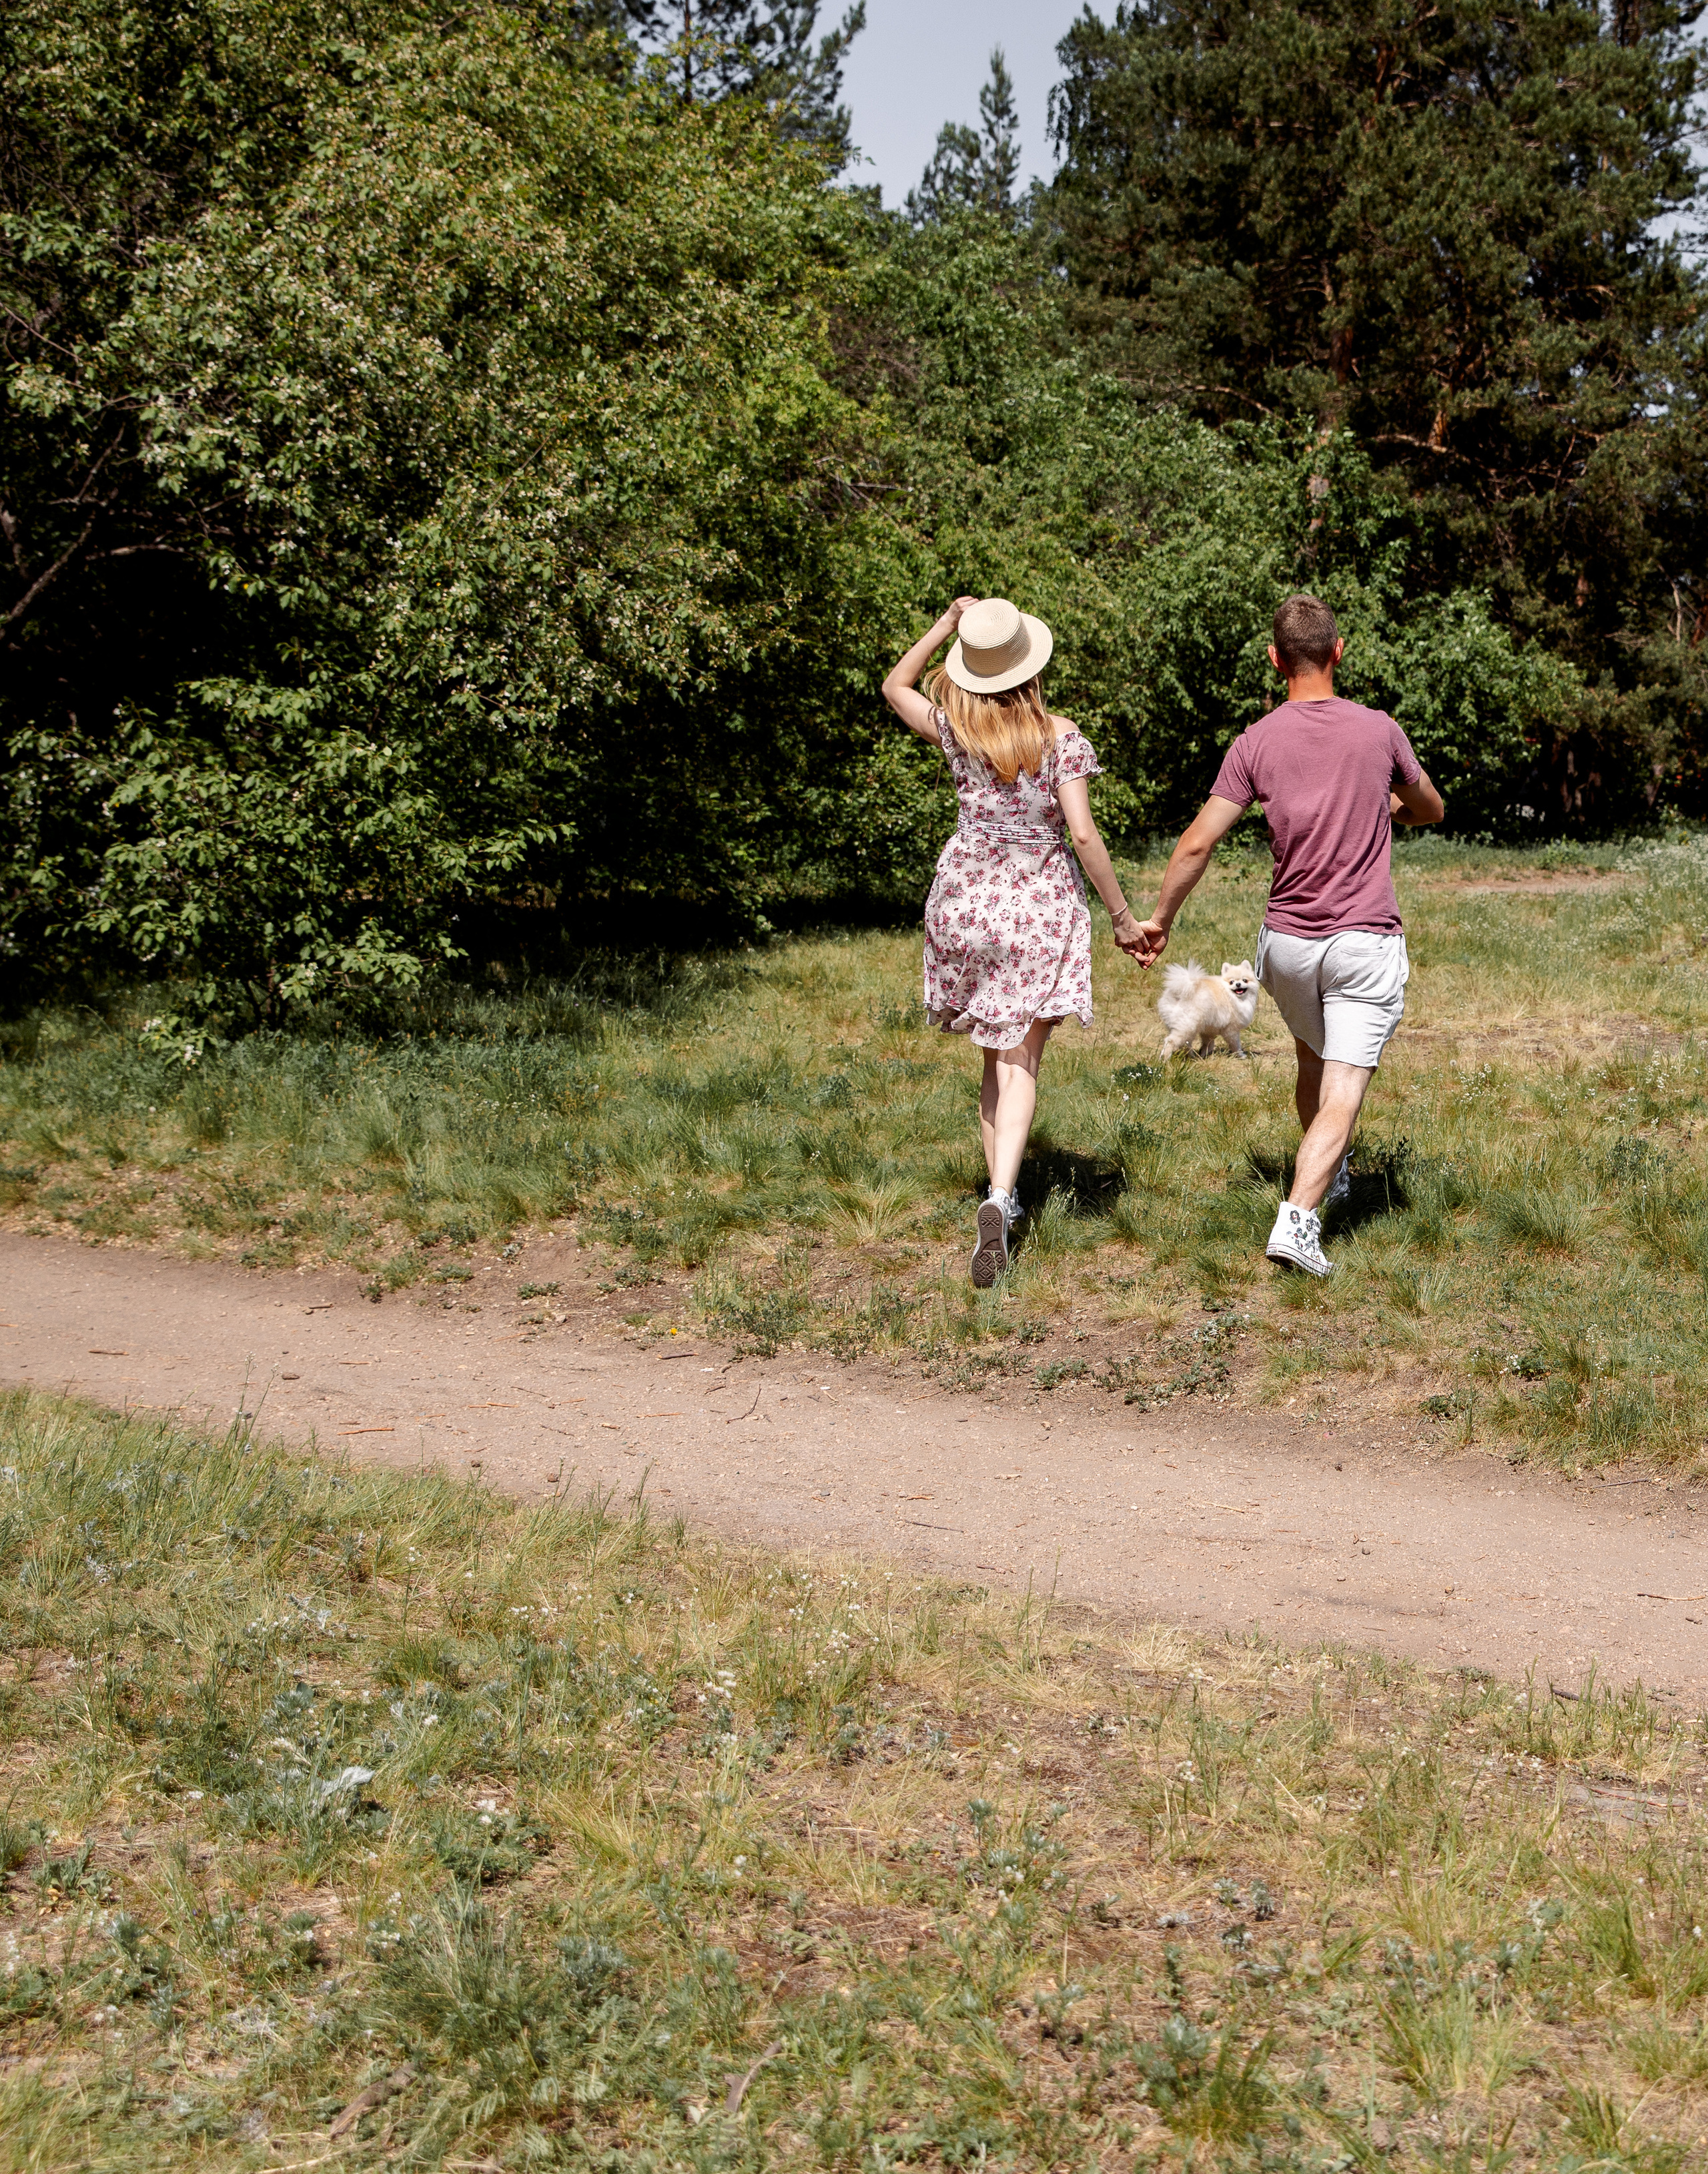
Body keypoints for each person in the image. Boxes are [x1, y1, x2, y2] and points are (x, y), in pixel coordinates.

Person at [1132, 593, 1444, 1277]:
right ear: (1338, 652)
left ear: (1275, 660)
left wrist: (1159, 920)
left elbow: (1194, 845)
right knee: (1343, 1086)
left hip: (1288, 949)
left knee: (1311, 1062)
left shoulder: (1254, 741)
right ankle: (1298, 1223)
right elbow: (1430, 807)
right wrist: (1386, 804)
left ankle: (1326, 1173)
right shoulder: (1378, 730)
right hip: (1362, 944)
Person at [882, 596, 1145, 1287]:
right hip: (1035, 901)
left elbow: (893, 686)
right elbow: (1082, 833)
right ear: (1030, 665)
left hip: (967, 898)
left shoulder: (955, 730)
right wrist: (1121, 916)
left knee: (992, 1051)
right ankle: (1001, 1197)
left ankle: (1003, 1191)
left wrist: (943, 625)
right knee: (1021, 1055)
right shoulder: (1059, 735)